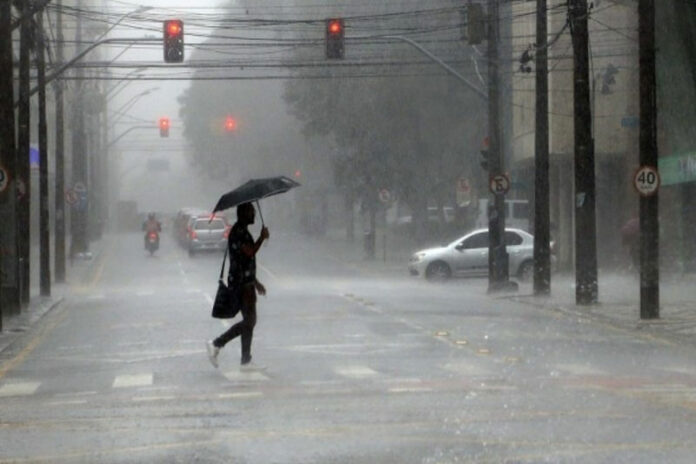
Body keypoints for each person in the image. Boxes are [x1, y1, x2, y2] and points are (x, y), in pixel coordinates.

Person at [206, 202, 269, 369]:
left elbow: (245, 261)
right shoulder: (238, 232)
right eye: (251, 212)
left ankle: (245, 360)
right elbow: (249, 252)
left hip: (246, 282)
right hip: (241, 284)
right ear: (243, 214)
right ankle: (217, 343)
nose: (254, 214)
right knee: (250, 321)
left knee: (249, 321)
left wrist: (256, 282)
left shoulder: (242, 230)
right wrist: (262, 238)